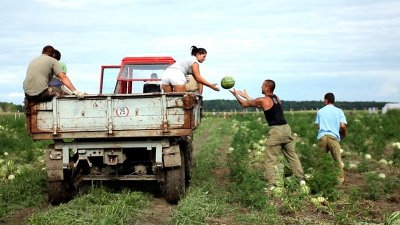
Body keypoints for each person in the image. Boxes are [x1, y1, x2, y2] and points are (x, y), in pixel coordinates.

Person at [230, 79, 306, 191]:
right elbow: (259, 103)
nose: (261, 87)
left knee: (270, 160)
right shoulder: (276, 98)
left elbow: (244, 104)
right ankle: (302, 180)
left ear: (266, 87)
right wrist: (247, 95)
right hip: (286, 128)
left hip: (276, 131)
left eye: (262, 86)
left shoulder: (263, 100)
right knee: (292, 156)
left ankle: (271, 185)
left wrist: (236, 95)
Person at [315, 92, 347, 184]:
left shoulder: (320, 111)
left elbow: (318, 126)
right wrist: (344, 134)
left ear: (326, 100)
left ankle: (319, 179)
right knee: (337, 160)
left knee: (320, 160)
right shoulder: (339, 111)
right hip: (333, 137)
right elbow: (343, 126)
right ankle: (339, 180)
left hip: (322, 137)